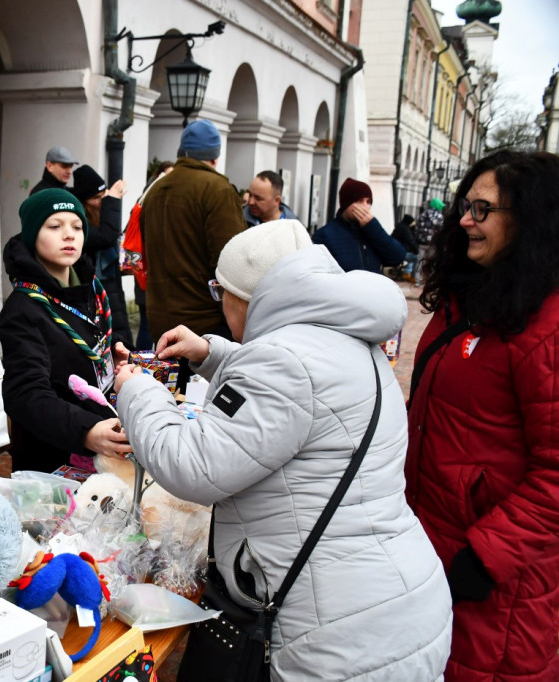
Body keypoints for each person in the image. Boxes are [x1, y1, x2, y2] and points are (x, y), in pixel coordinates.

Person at [110, 219, 452, 680]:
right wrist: (210, 353)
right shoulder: (344, 333)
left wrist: (137, 390)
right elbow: (299, 393)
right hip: (392, 599)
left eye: (220, 293)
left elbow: (191, 465)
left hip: (334, 631)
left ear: (245, 297)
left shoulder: (283, 362)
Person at [406, 150, 559, 681]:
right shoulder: (466, 298)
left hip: (496, 585)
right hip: (433, 554)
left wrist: (484, 557)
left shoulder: (547, 326)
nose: (466, 219)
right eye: (465, 206)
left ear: (531, 220)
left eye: (483, 209)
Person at [0, 189, 132, 473]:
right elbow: (25, 394)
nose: (69, 235)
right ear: (34, 234)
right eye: (55, 226)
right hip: (53, 461)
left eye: (78, 227)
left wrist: (113, 352)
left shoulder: (90, 288)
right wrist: (86, 431)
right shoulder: (23, 309)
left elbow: (91, 338)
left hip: (102, 450)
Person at [140, 119, 245, 341]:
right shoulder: (217, 190)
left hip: (160, 319)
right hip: (205, 324)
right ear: (214, 158)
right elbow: (231, 262)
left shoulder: (155, 190)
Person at [72, 164, 133, 347]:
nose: (101, 202)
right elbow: (107, 236)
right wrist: (112, 201)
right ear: (84, 201)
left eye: (103, 197)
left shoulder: (100, 216)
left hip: (112, 291)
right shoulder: (80, 224)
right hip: (97, 294)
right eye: (97, 198)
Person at [312, 177, 406, 273]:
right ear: (346, 204)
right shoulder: (325, 235)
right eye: (359, 201)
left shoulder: (372, 232)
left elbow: (397, 257)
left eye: (368, 202)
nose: (365, 206)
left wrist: (373, 228)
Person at [128, 161, 174, 350]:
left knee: (148, 325)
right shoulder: (155, 203)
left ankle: (142, 363)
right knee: (147, 325)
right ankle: (143, 364)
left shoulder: (144, 200)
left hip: (145, 273)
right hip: (150, 274)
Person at [414, 198, 445, 286]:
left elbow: (417, 229)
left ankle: (418, 281)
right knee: (432, 262)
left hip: (422, 243)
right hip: (433, 243)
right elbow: (442, 230)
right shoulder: (439, 216)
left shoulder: (422, 215)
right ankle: (430, 281)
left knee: (420, 262)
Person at [391, 213, 419, 281]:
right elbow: (411, 241)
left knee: (412, 255)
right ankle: (412, 276)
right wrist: (417, 251)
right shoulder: (405, 229)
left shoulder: (399, 226)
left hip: (394, 251)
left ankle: (407, 271)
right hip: (399, 253)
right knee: (417, 257)